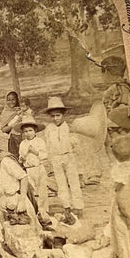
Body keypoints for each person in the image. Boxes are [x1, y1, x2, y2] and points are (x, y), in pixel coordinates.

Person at [0, 137, 40, 243]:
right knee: (6, 232)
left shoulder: (5, 161)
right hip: (1, 201)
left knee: (30, 231)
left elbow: (23, 177)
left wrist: (22, 199)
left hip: (16, 198)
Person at [43, 96, 84, 224]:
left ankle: (78, 207)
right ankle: (66, 206)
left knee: (73, 181)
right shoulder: (49, 129)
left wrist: (77, 159)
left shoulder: (69, 128)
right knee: (61, 183)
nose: (55, 118)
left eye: (58, 115)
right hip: (56, 157)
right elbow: (48, 145)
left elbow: (76, 145)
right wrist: (50, 159)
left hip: (69, 156)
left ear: (63, 114)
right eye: (53, 116)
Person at [15, 115, 50, 225]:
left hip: (39, 168)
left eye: (30, 130)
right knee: (32, 191)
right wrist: (22, 158)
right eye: (25, 131)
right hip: (29, 170)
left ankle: (43, 211)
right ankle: (34, 211)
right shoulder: (23, 143)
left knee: (42, 191)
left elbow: (44, 155)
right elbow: (21, 157)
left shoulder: (40, 141)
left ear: (35, 131)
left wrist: (35, 152)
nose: (28, 133)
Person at [0, 91, 23, 158]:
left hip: (25, 137)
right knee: (16, 159)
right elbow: (4, 129)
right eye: (8, 100)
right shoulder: (5, 112)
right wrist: (14, 124)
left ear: (17, 100)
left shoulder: (22, 109)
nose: (11, 102)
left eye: (13, 99)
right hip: (14, 139)